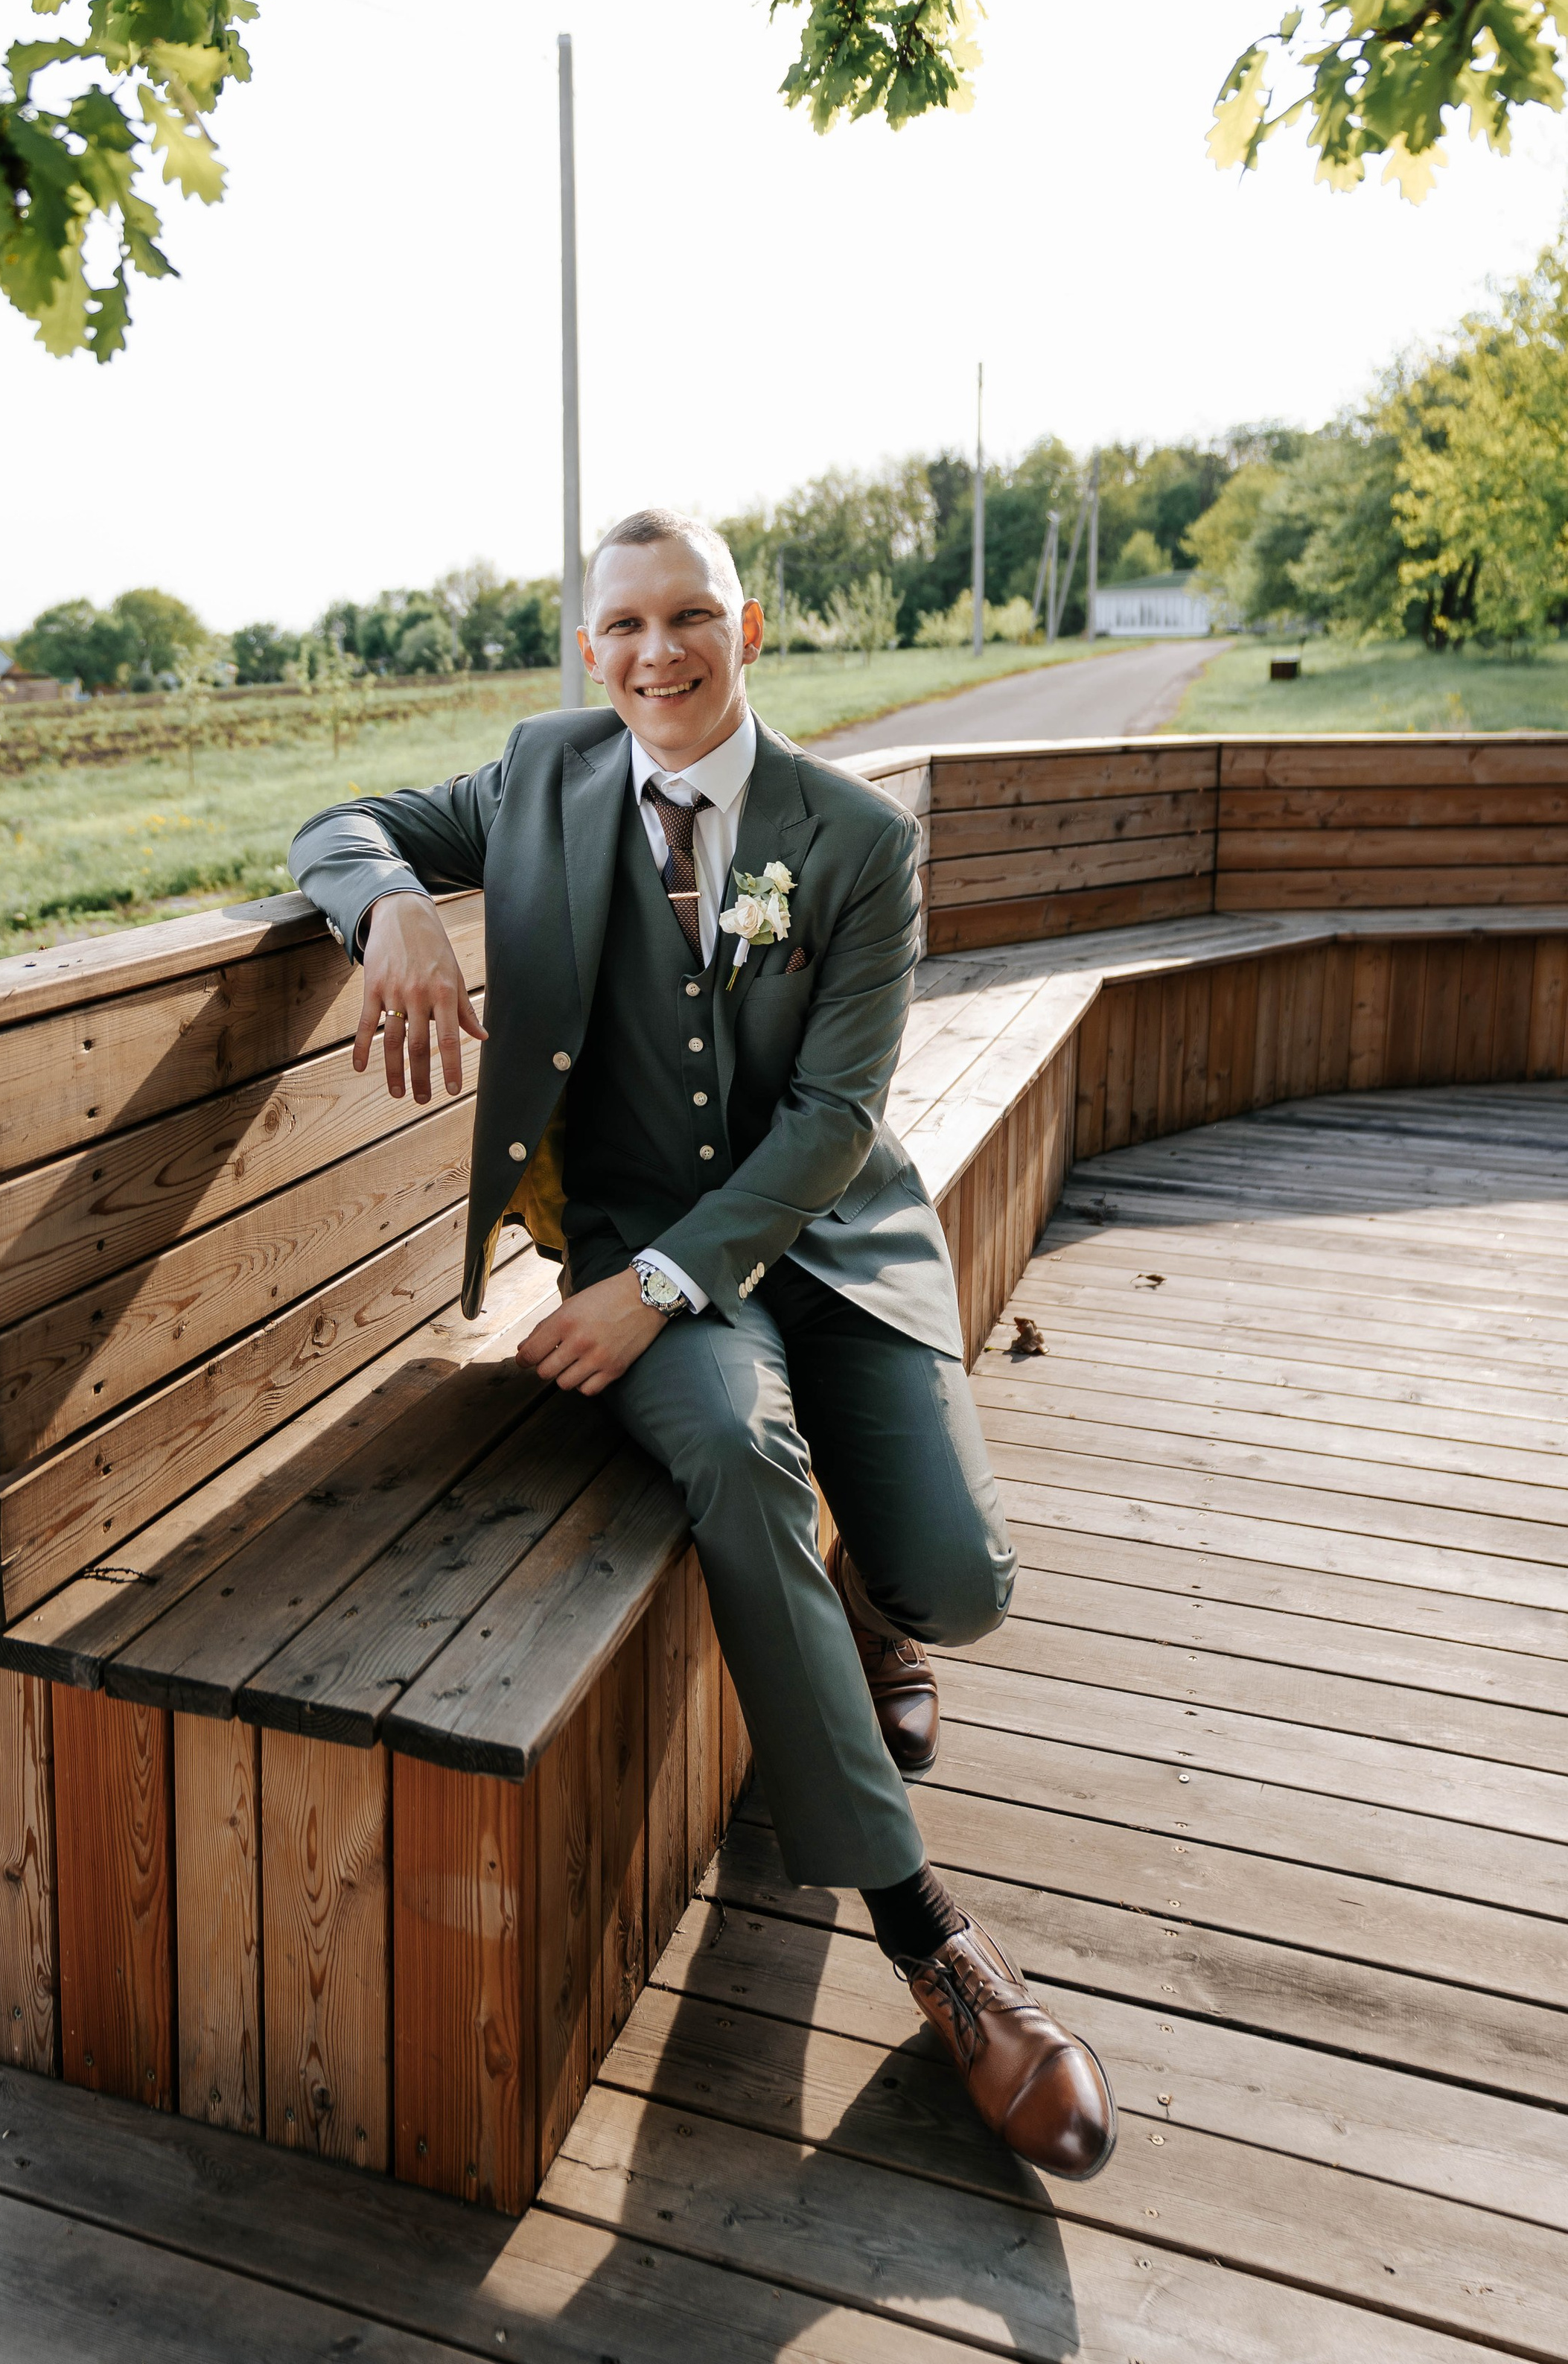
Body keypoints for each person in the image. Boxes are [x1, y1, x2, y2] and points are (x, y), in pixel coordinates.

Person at [290, 508, 1115, 2179]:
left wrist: (659, 1283)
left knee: (963, 1588)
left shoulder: (852, 838)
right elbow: (338, 818)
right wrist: (386, 906)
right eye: (622, 626)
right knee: (740, 1456)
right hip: (629, 1251)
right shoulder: (538, 773)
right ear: (586, 646)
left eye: (689, 619)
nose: (656, 654)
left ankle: (889, 1617)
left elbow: (828, 1120)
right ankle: (933, 1943)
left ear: (748, 630)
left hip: (821, 1237)